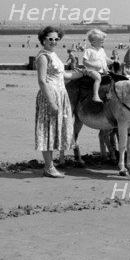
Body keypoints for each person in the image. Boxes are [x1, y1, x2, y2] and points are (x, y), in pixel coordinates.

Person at [34, 26, 85, 178]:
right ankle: (49, 168)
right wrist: (51, 102)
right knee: (48, 131)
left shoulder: (54, 55)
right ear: (43, 40)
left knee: (55, 131)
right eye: (50, 39)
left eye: (56, 39)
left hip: (61, 96)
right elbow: (42, 81)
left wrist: (83, 73)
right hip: (49, 96)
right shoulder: (43, 56)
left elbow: (64, 75)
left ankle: (50, 166)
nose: (54, 41)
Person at [82, 29, 115, 102]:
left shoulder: (101, 50)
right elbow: (85, 61)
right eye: (101, 42)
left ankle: (109, 93)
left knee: (113, 77)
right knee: (98, 78)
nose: (103, 43)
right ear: (94, 42)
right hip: (91, 70)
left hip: (103, 70)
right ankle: (95, 95)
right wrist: (93, 66)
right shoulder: (89, 51)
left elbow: (106, 59)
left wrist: (113, 61)